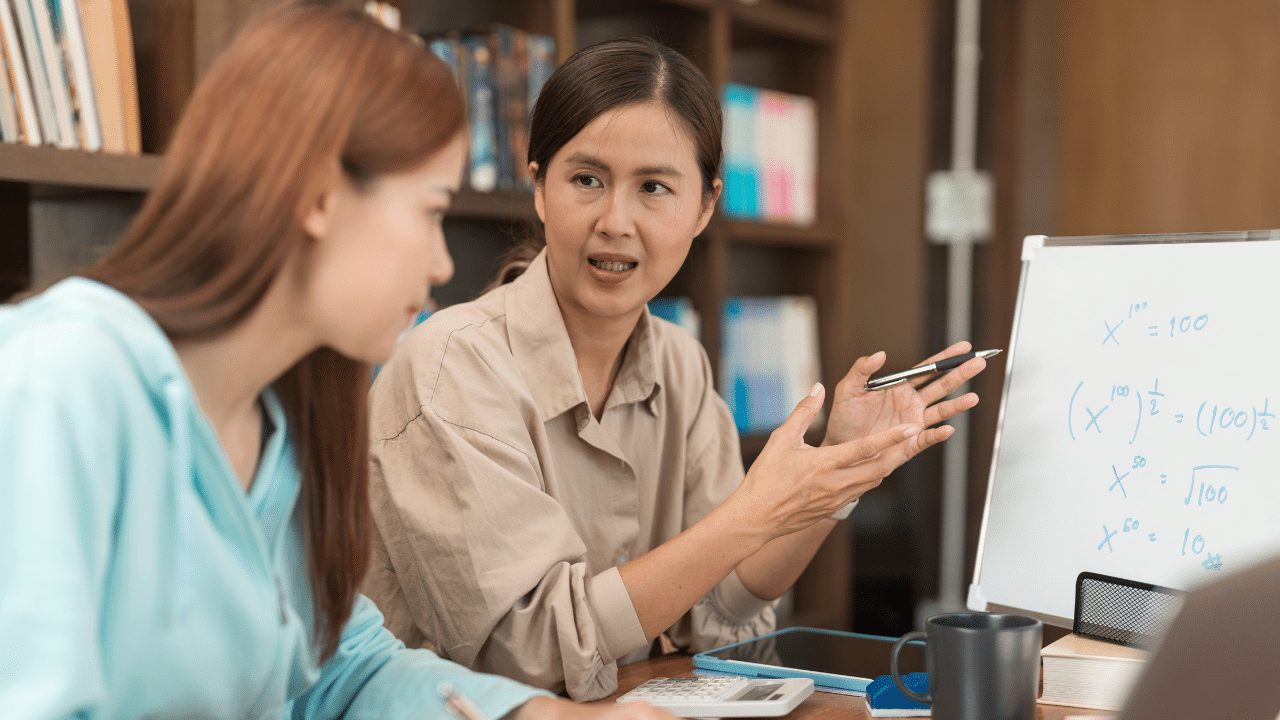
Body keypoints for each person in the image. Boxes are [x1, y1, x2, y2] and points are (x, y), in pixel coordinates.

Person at [0, 5, 671, 720]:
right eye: (430, 210)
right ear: (320, 193)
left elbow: (342, 670)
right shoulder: (61, 377)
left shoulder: (283, 424)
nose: (444, 260)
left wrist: (554, 717)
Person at [363, 35, 988, 701]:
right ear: (539, 187)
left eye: (654, 187)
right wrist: (751, 514)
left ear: (705, 208)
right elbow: (529, 654)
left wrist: (842, 463)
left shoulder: (678, 361)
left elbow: (729, 598)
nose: (615, 221)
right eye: (586, 180)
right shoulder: (448, 367)